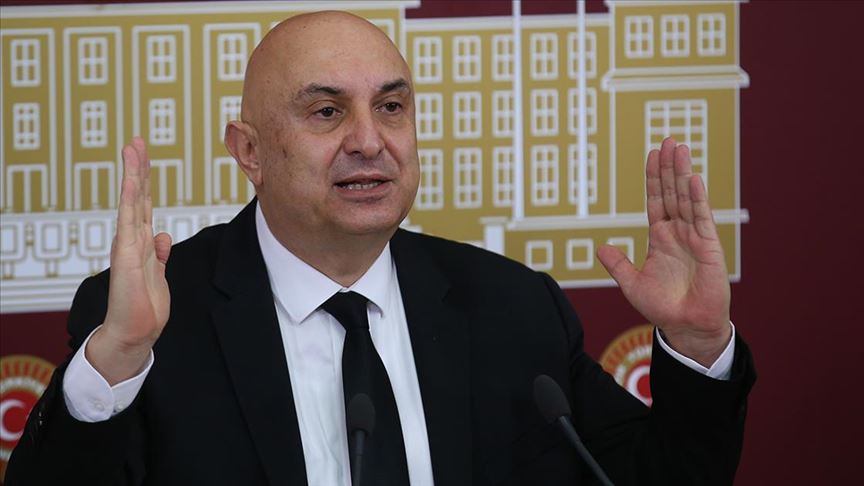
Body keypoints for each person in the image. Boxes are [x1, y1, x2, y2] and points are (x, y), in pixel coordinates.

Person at [6, 11, 754, 486]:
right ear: (250, 151)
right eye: (327, 112)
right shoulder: (155, 319)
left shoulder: (511, 307)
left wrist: (696, 347)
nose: (369, 141)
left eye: (391, 106)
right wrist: (114, 363)